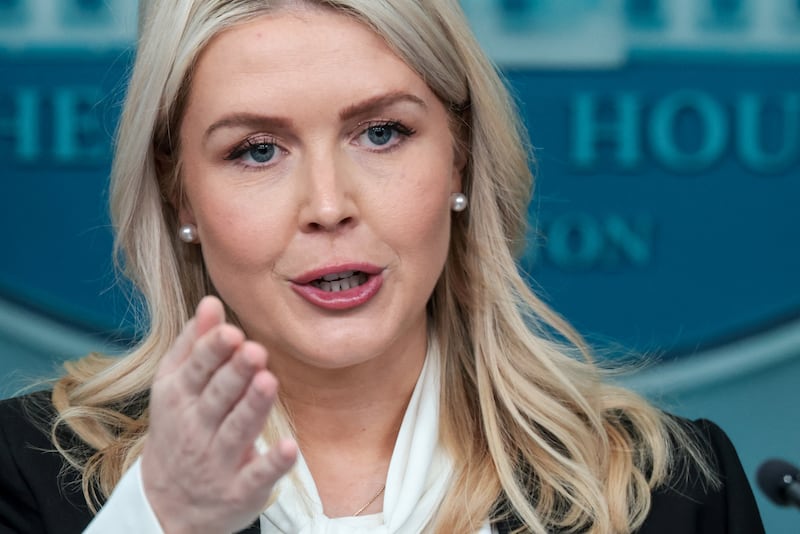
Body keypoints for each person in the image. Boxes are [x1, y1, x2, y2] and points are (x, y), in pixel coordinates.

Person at [0, 1, 765, 533]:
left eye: (381, 133)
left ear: (461, 156)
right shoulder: (27, 478)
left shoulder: (671, 494)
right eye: (256, 150)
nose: (328, 205)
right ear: (180, 195)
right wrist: (163, 523)